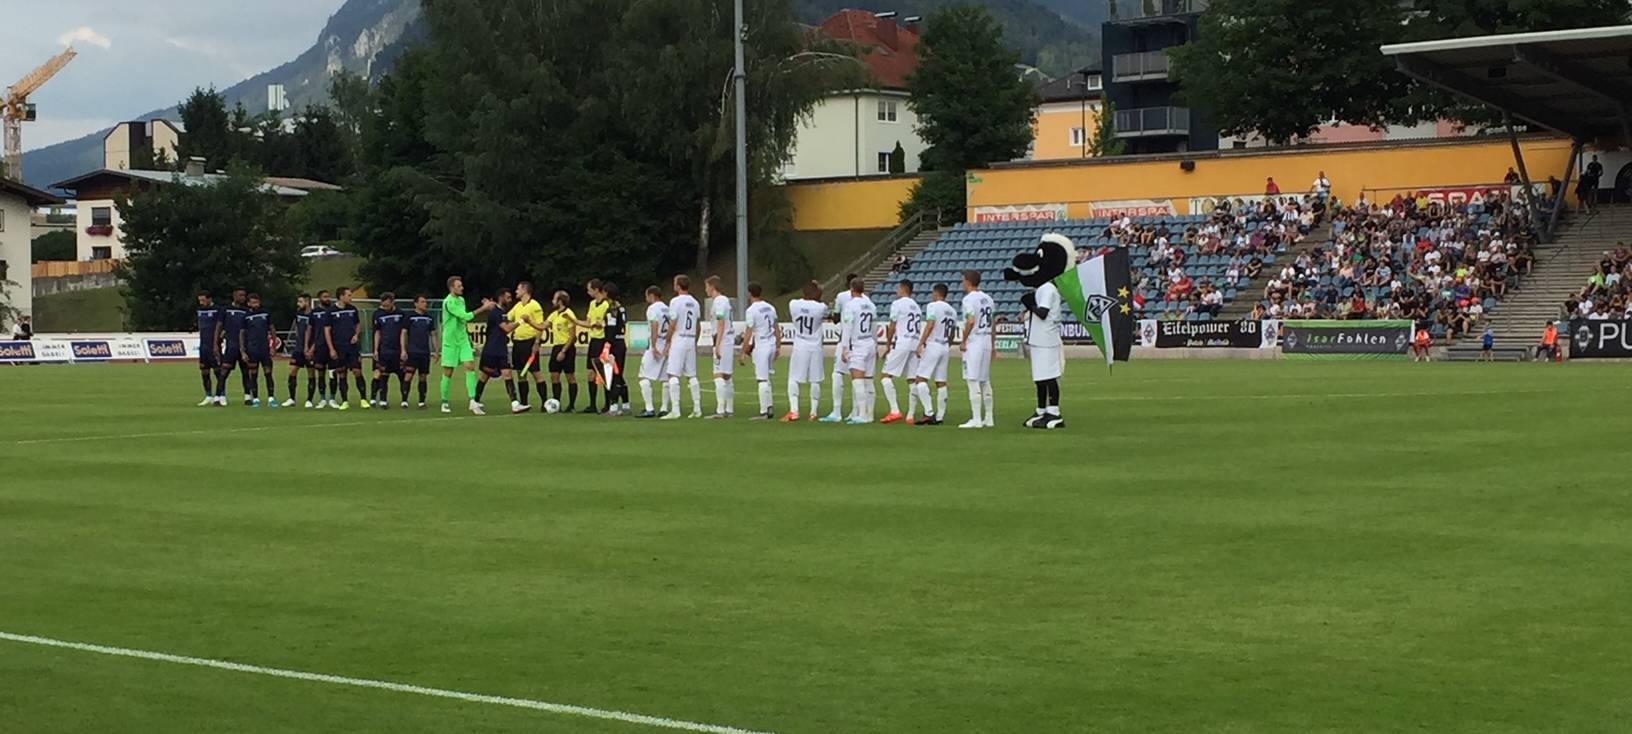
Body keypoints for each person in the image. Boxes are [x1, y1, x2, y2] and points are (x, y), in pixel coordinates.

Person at [440, 276, 495, 414]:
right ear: (451, 288)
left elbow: (463, 322)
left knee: (470, 366)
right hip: (450, 341)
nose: (462, 288)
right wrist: (484, 308)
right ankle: (444, 401)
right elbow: (465, 316)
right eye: (459, 286)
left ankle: (472, 400)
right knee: (448, 372)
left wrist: (469, 339)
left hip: (463, 339)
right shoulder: (448, 302)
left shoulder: (461, 300)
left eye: (461, 285)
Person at [828, 277, 877, 425]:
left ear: (851, 289)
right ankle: (870, 414)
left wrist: (845, 348)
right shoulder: (871, 305)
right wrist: (875, 345)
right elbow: (874, 327)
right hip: (870, 343)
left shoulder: (850, 306)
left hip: (858, 344)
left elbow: (847, 327)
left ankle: (861, 414)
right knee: (869, 380)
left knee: (858, 380)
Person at [1020, 267, 1064, 430]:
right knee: (1040, 378)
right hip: (1039, 339)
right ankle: (1041, 410)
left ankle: (1054, 411)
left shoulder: (1047, 288)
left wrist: (1031, 305)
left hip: (1047, 339)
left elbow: (1043, 312)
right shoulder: (1043, 288)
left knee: (1049, 377)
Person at [911, 283, 957, 426]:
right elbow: (952, 332)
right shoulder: (952, 311)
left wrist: (921, 343)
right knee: (941, 382)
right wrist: (947, 344)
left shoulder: (933, 306)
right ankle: (940, 416)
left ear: (936, 293)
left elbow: (930, 325)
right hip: (944, 346)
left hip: (933, 345)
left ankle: (929, 413)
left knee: (920, 379)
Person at [782, 280, 828, 422]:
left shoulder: (794, 304)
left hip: (800, 344)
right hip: (815, 346)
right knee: (815, 379)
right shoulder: (821, 307)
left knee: (793, 377)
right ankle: (813, 412)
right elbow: (825, 311)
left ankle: (794, 410)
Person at [879, 279, 922, 424]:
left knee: (885, 376)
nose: (896, 291)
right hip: (914, 343)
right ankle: (910, 415)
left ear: (903, 289)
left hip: (902, 342)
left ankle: (895, 410)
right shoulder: (916, 306)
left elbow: (892, 325)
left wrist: (888, 344)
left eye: (898, 288)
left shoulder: (897, 304)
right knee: (912, 379)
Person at [959, 270, 996, 429]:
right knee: (985, 380)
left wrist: (963, 340)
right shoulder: (988, 299)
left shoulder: (968, 299)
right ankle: (989, 417)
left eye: (963, 280)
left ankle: (976, 418)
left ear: (968, 281)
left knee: (972, 379)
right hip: (986, 339)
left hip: (975, 341)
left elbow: (971, 320)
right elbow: (993, 323)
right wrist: (993, 345)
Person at [663, 275, 703, 420]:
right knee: (691, 375)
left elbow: (672, 324)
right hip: (690, 339)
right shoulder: (695, 302)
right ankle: (697, 408)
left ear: (678, 286)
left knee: (673, 375)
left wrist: (667, 342)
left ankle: (675, 410)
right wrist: (695, 341)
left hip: (679, 339)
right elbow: (698, 325)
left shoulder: (675, 302)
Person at [475, 288, 519, 414]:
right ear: (501, 297)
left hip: (501, 349)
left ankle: (515, 404)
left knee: (508, 374)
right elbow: (506, 328)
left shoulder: (502, 313)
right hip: (492, 350)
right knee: (484, 376)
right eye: (508, 297)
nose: (510, 300)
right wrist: (521, 321)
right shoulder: (495, 313)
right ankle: (475, 401)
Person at [507, 281, 550, 412]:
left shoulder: (534, 305)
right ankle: (524, 403)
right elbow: (508, 317)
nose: (516, 291)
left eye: (518, 289)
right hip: (517, 343)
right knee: (521, 374)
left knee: (536, 373)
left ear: (524, 290)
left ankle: (544, 402)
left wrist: (537, 343)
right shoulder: (518, 305)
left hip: (529, 343)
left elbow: (540, 326)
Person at [823, 272, 859, 422]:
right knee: (857, 377)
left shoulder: (842, 296)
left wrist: (830, 316)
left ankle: (837, 411)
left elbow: (837, 318)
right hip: (861, 342)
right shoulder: (867, 301)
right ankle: (855, 411)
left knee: (837, 373)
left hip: (845, 339)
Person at [741, 282, 780, 420]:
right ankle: (769, 406)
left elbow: (749, 331)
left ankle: (764, 411)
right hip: (771, 343)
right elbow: (776, 327)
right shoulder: (770, 307)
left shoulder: (751, 310)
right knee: (767, 376)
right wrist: (778, 346)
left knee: (761, 379)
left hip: (761, 346)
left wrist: (743, 351)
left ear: (749, 293)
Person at [325, 287, 368, 410]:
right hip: (338, 347)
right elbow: (327, 330)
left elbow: (358, 324)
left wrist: (356, 335)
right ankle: (345, 401)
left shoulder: (353, 309)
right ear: (341, 296)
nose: (351, 298)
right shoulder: (331, 311)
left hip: (352, 347)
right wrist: (331, 349)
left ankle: (363, 399)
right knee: (341, 373)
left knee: (357, 371)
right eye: (348, 295)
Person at [637, 286, 671, 418]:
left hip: (656, 344)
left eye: (646, 296)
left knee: (643, 376)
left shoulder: (652, 309)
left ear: (651, 295)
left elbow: (654, 326)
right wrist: (668, 344)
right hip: (666, 344)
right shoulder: (668, 308)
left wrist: (654, 345)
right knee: (665, 378)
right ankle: (664, 408)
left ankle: (649, 408)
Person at [704, 276, 736, 419]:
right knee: (727, 375)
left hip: (722, 340)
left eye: (707, 287)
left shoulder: (719, 301)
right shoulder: (725, 300)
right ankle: (729, 408)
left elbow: (721, 323)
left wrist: (717, 345)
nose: (706, 290)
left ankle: (720, 410)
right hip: (727, 339)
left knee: (718, 375)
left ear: (712, 287)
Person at [577, 279, 610, 414]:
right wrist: (575, 321)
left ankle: (608, 404)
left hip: (603, 341)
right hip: (594, 341)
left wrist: (601, 325)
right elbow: (589, 323)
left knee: (603, 373)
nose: (588, 292)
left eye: (589, 289)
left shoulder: (606, 305)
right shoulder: (592, 304)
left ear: (596, 290)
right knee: (590, 373)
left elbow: (609, 323)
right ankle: (592, 404)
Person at [369, 293, 406, 410]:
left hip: (397, 350)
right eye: (383, 305)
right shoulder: (377, 314)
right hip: (383, 350)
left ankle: (404, 400)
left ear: (392, 302)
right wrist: (375, 349)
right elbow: (377, 332)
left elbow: (403, 332)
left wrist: (403, 349)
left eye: (387, 305)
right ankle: (377, 399)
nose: (384, 308)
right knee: (381, 374)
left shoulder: (400, 313)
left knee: (402, 374)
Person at [545, 289, 580, 412]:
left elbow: (572, 336)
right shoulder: (554, 314)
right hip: (556, 347)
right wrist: (528, 322)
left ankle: (571, 406)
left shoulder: (569, 314)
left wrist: (564, 351)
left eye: (554, 298)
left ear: (560, 301)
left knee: (570, 376)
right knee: (554, 376)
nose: (552, 301)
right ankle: (557, 404)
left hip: (567, 348)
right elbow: (542, 326)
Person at [599, 282, 631, 415]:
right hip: (621, 342)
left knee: (613, 375)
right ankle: (626, 405)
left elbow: (611, 329)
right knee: (619, 375)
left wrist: (607, 345)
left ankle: (613, 407)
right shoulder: (621, 307)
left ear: (607, 293)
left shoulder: (611, 309)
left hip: (614, 345)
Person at [242, 293, 277, 408]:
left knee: (268, 373)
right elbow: (242, 333)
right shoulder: (246, 316)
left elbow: (272, 329)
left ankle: (271, 398)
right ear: (248, 303)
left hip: (264, 349)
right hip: (252, 349)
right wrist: (243, 351)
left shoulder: (265, 313)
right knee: (253, 374)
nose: (256, 304)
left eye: (257, 302)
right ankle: (256, 399)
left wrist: (273, 346)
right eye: (253, 302)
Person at [403, 295, 437, 408]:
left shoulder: (429, 318)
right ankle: (404, 400)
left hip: (425, 352)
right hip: (412, 351)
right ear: (416, 304)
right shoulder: (410, 316)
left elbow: (433, 334)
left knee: (423, 376)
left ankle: (422, 401)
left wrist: (436, 351)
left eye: (425, 302)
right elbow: (404, 333)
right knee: (408, 375)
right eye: (422, 302)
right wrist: (403, 349)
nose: (425, 304)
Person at [219, 289, 250, 405]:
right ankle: (221, 396)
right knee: (224, 372)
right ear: (234, 296)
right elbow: (219, 326)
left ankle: (247, 397)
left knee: (246, 372)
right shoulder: (225, 309)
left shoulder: (246, 311)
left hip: (244, 347)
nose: (243, 297)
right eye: (241, 295)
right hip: (231, 346)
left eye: (244, 295)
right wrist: (217, 341)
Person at [281, 294, 313, 408]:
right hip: (298, 348)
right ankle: (291, 398)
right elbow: (297, 328)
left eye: (300, 301)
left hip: (310, 349)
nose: (298, 304)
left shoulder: (313, 315)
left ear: (307, 302)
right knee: (292, 371)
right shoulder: (298, 313)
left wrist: (310, 348)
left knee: (311, 373)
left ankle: (309, 400)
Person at [195, 291, 224, 406]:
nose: (201, 302)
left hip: (214, 345)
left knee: (218, 371)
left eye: (203, 300)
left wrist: (219, 340)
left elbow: (223, 326)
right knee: (204, 370)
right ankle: (208, 395)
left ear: (209, 299)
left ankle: (221, 395)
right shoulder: (199, 310)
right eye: (200, 300)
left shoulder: (218, 310)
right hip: (203, 345)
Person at [308, 290, 335, 408]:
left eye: (328, 296)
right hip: (319, 346)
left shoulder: (333, 311)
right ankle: (322, 399)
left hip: (333, 346)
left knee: (333, 373)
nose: (327, 298)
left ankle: (333, 399)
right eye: (325, 296)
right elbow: (310, 330)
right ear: (319, 298)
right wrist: (310, 347)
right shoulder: (314, 312)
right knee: (321, 373)